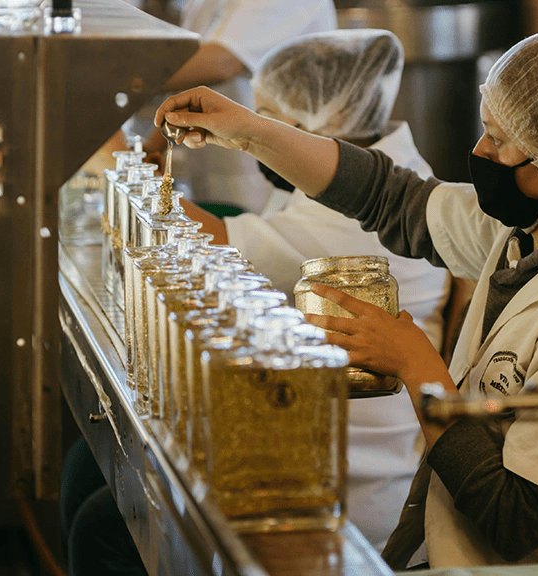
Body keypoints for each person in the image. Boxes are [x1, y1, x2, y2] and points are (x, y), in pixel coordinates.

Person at [155, 28, 538, 574]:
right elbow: (389, 197)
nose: (479, 152)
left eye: (497, 139)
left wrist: (417, 366)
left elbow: (516, 518)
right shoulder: (532, 232)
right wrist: (253, 132)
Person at [178, 28, 450, 551]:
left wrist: (108, 155)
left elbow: (202, 242)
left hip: (350, 487)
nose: (255, 136)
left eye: (266, 121)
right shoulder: (378, 167)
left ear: (327, 120)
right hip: (314, 444)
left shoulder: (356, 217)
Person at [141, 0, 337, 213]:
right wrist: (155, 144)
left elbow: (221, 62)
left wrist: (120, 78)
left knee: (253, 237)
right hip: (214, 161)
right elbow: (191, 80)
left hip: (263, 172)